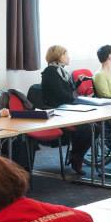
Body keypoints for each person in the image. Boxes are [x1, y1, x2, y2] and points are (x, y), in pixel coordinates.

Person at [39, 45, 91, 173]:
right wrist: (77, 99)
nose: (68, 57)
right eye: (65, 54)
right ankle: (76, 156)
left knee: (96, 127)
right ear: (58, 56)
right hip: (58, 110)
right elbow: (61, 95)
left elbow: (67, 92)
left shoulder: (61, 71)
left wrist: (78, 83)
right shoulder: (51, 72)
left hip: (67, 107)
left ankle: (76, 155)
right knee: (87, 128)